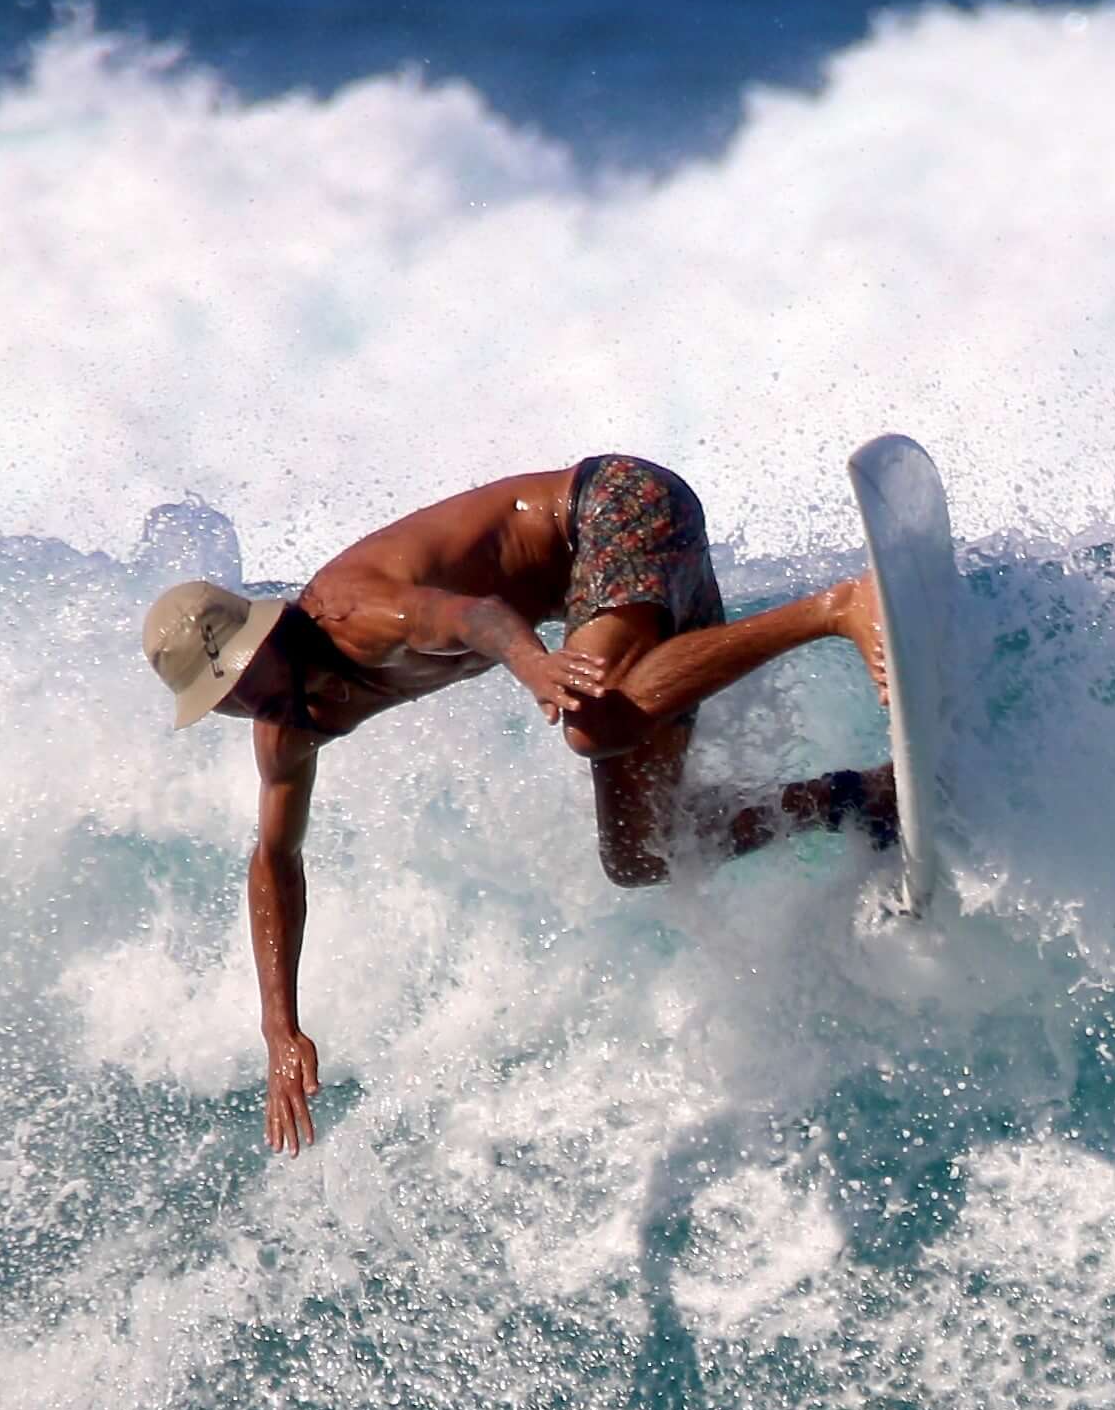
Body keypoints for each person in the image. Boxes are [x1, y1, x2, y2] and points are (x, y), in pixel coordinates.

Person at [139, 458, 896, 1153]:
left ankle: (835, 607)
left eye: (252, 673)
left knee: (593, 721)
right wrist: (280, 1031)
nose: (256, 699)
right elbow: (275, 859)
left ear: (268, 631)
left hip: (616, 506)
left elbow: (478, 618)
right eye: (229, 698)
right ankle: (859, 798)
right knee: (641, 853)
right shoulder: (286, 730)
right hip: (602, 592)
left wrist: (535, 666)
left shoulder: (352, 616)